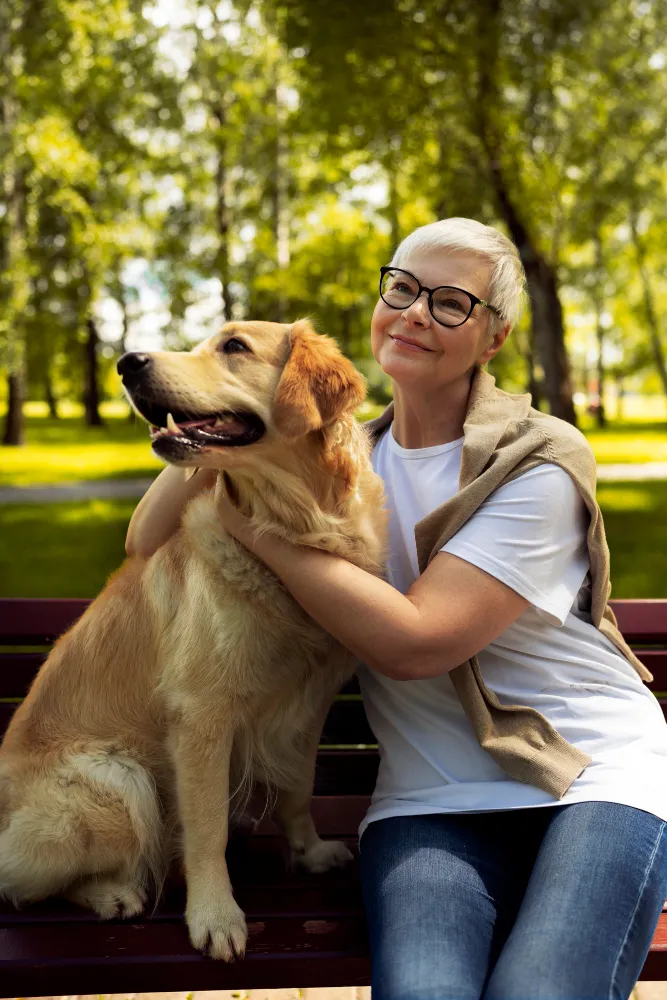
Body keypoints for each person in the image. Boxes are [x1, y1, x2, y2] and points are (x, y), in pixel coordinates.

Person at [126, 218, 667, 1000]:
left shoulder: (538, 459)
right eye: (403, 289)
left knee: (538, 992)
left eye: (450, 303)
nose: (415, 312)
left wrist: (258, 531)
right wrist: (211, 437)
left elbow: (416, 644)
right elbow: (145, 537)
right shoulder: (335, 455)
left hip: (589, 779)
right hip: (429, 798)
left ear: (493, 338)